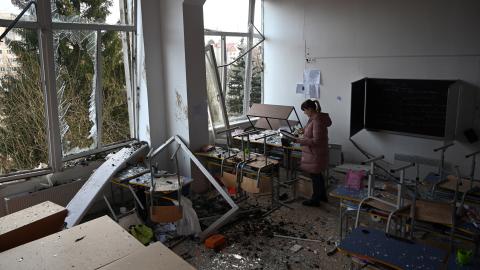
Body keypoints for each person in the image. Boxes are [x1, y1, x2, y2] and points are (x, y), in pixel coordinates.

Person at [296, 99, 332, 206]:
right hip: (316, 152)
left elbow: (316, 140)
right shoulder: (314, 118)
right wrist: (304, 131)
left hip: (315, 153)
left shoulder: (317, 120)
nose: (304, 113)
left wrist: (299, 141)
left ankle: (315, 200)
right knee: (317, 175)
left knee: (315, 176)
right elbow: (312, 132)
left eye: (305, 110)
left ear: (310, 109)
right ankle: (322, 196)